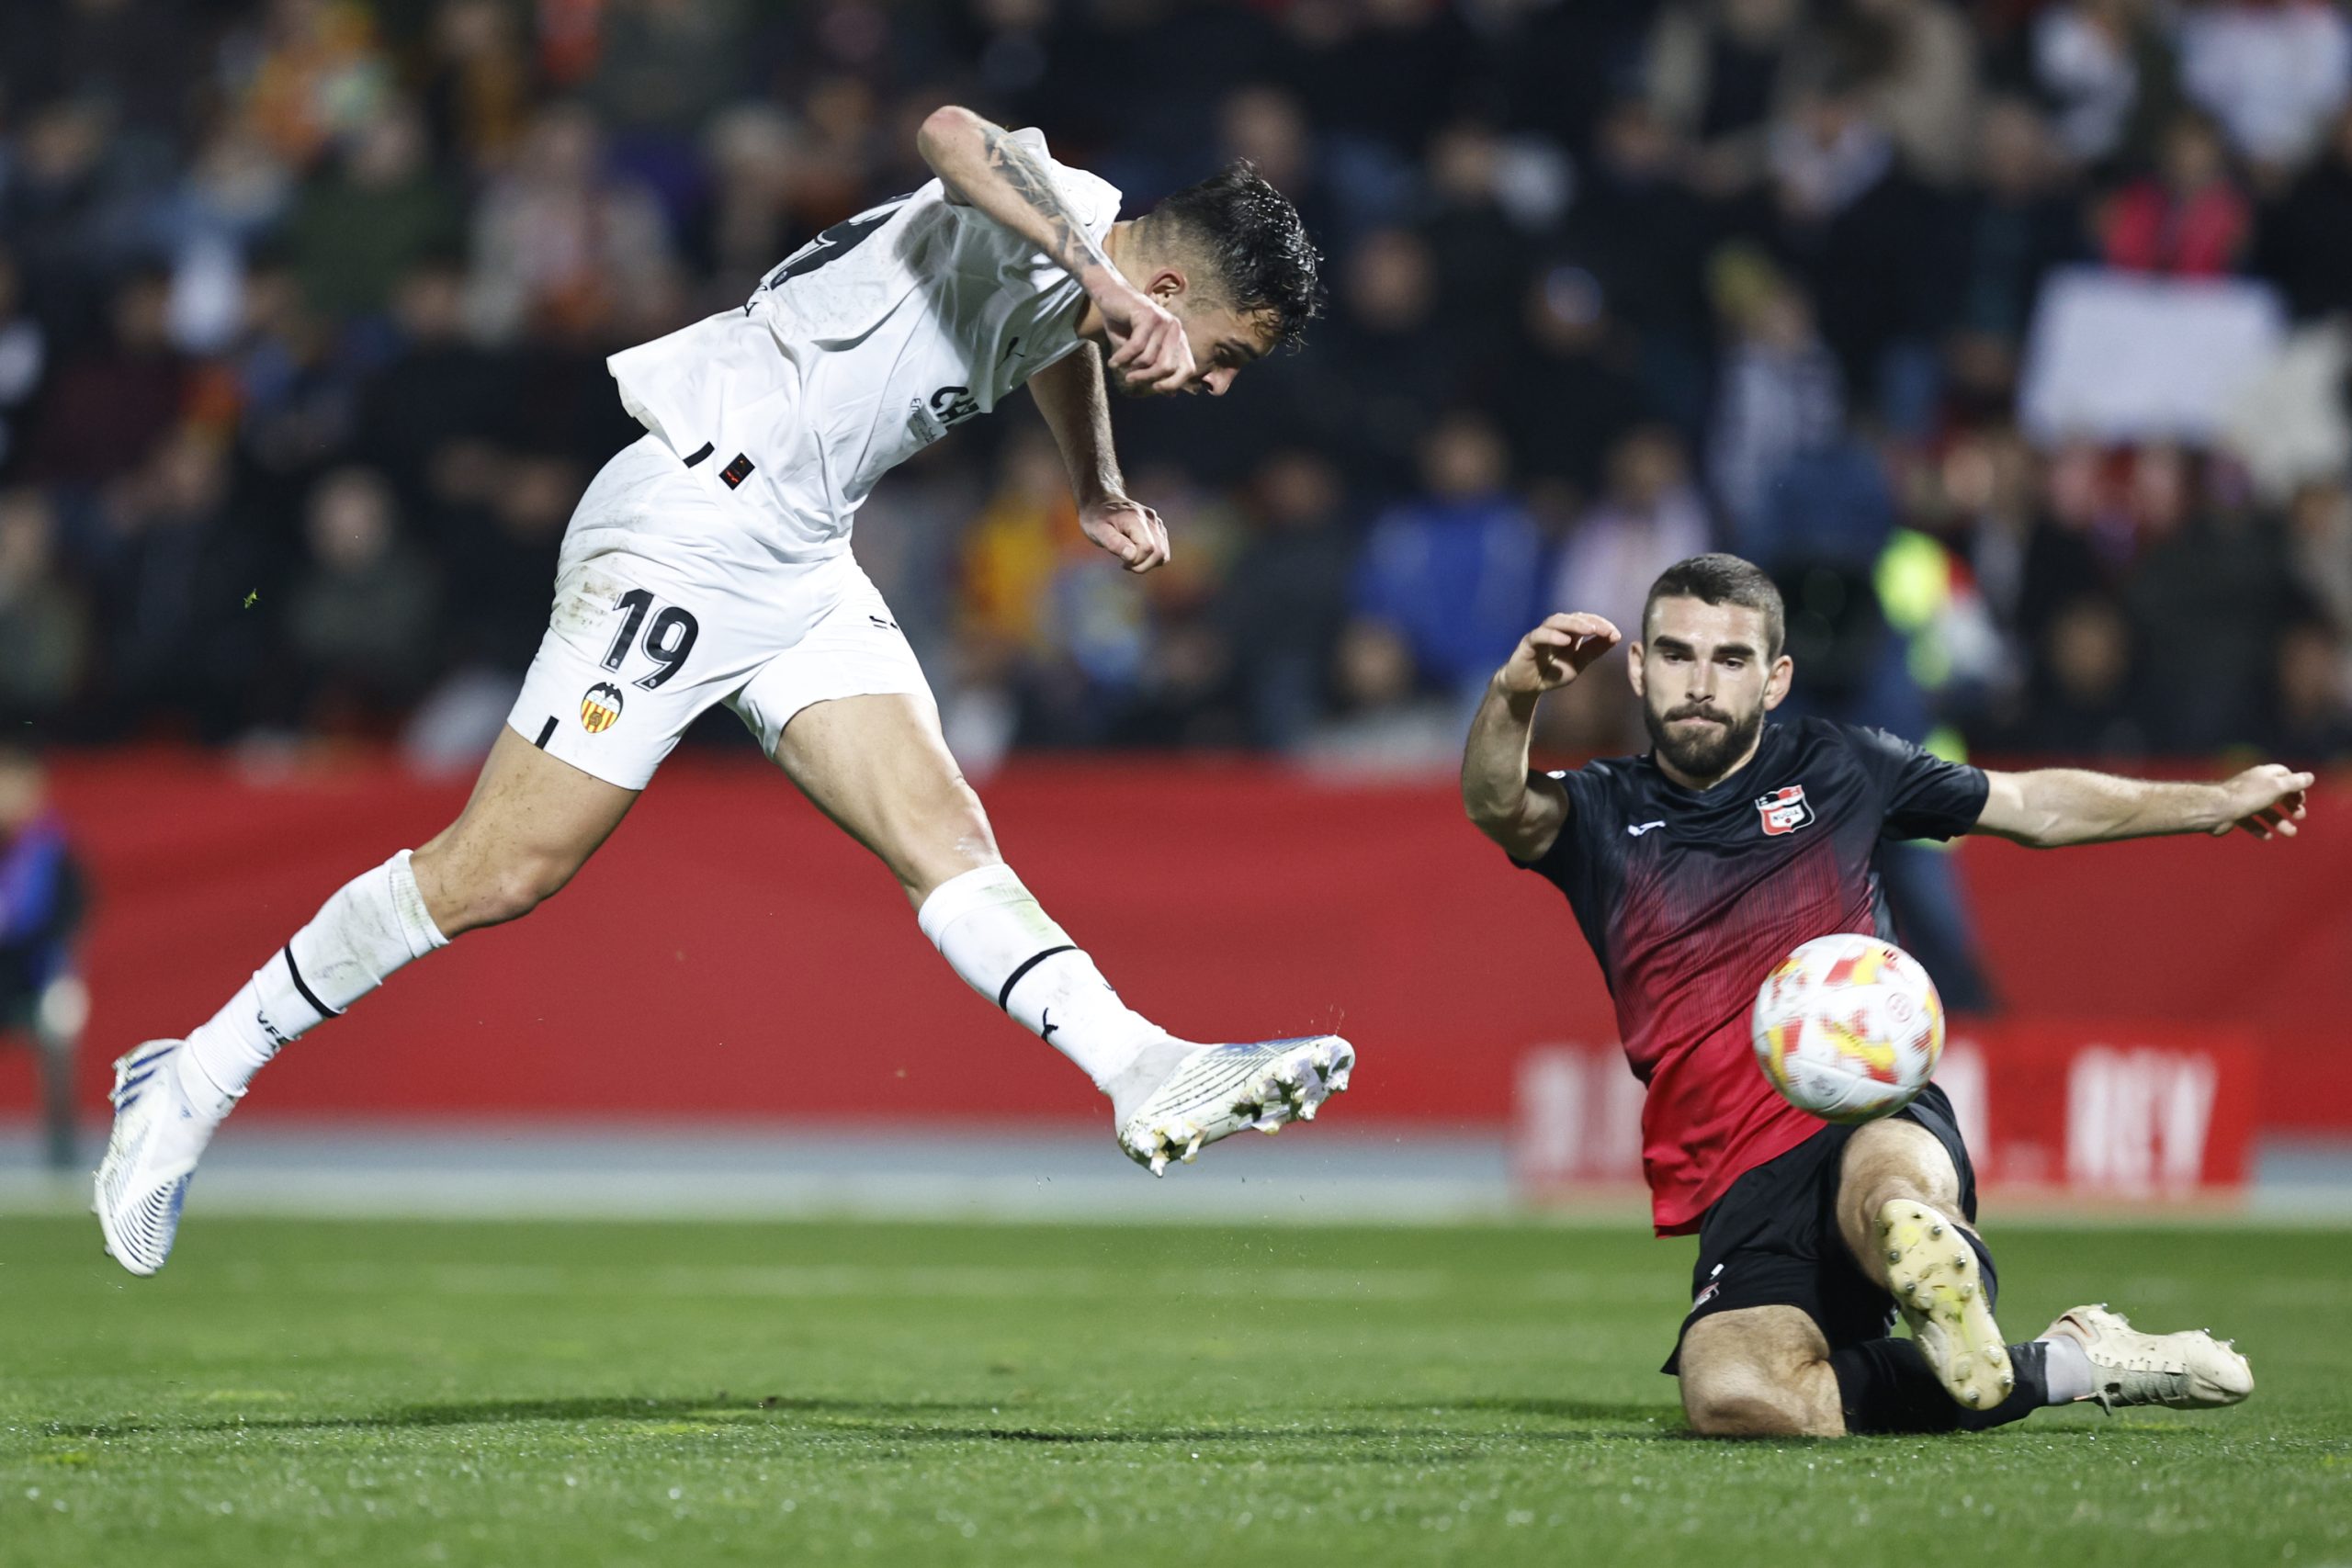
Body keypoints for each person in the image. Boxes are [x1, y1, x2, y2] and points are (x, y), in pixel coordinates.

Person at [96, 109, 1350, 1276]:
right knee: (499, 870)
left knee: (947, 836)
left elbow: (1048, 336)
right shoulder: (1063, 205)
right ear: (1171, 290)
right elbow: (954, 133)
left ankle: (1138, 1064)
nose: (1218, 385)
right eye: (1227, 355)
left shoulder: (1070, 278)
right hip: (689, 524)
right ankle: (192, 1076)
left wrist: (1092, 482)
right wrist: (1103, 275)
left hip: (800, 559)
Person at [1461, 553, 2290, 1437]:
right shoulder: (1603, 811)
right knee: (1737, 1396)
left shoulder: (1840, 764)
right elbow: (1495, 801)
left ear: (1775, 678)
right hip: (1739, 1174)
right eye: (1675, 654)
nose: (1700, 682)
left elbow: (2031, 805)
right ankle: (2069, 1358)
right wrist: (1516, 693)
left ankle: (1926, 1245)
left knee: (1891, 1203)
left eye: (1730, 659)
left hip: (1871, 1105)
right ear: (1637, 667)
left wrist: (2211, 801)